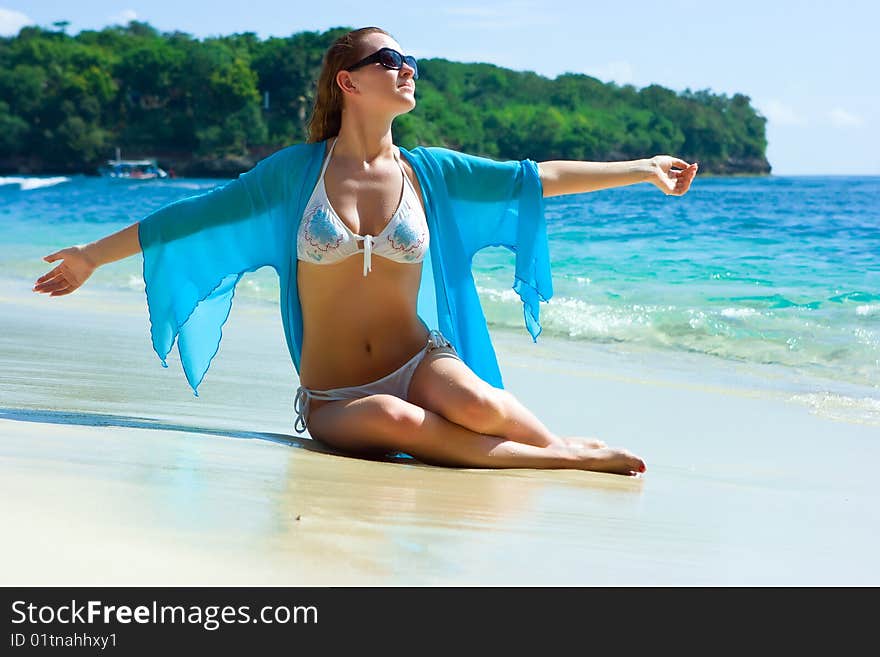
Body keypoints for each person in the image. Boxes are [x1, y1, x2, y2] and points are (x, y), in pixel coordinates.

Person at [32, 27, 697, 476]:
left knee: (481, 405)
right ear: (348, 83)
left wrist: (641, 167)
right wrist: (91, 255)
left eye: (411, 63)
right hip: (337, 394)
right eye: (389, 61)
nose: (407, 69)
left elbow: (534, 178)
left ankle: (557, 442)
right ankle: (566, 458)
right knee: (391, 417)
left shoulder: (427, 172)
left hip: (419, 358)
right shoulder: (295, 175)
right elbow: (191, 215)